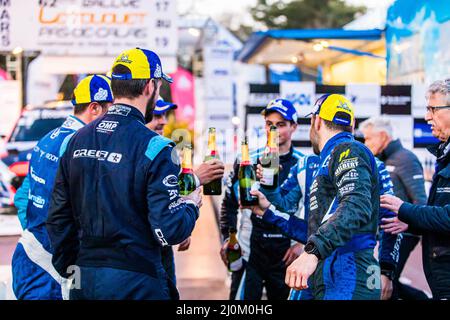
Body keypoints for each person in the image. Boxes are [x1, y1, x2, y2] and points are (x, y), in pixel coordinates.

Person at [46, 48, 202, 300]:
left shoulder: (74, 140)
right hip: (137, 280)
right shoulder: (159, 147)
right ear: (150, 86)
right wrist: (191, 205)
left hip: (84, 277)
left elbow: (57, 219)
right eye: (159, 87)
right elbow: (169, 230)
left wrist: (72, 268)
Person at [248, 94, 381, 300]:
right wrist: (268, 209)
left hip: (349, 272)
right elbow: (315, 229)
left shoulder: (348, 149)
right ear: (351, 126)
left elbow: (356, 204)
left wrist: (312, 252)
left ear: (316, 121)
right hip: (331, 271)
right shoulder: (325, 160)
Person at [253, 133, 401, 300]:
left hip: (350, 267)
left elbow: (391, 221)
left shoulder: (368, 161)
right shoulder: (305, 164)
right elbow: (287, 208)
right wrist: (269, 188)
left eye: (282, 124)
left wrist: (386, 270)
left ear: (316, 122)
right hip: (313, 265)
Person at [11, 75, 114, 300]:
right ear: (95, 108)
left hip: (30, 253)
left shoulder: (49, 137)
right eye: (110, 111)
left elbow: (22, 197)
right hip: (52, 266)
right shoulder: (81, 145)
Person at [219, 98, 305, 300]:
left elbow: (313, 210)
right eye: (269, 124)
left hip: (287, 255)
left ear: (294, 127)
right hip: (251, 253)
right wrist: (227, 239)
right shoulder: (247, 160)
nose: (273, 130)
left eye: (281, 125)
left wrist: (303, 245)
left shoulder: (304, 163)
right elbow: (229, 204)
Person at [381, 79, 450, 300]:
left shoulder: (406, 159)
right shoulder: (444, 155)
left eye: (433, 109)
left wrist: (404, 209)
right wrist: (411, 222)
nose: (427, 117)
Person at [145, 97, 224, 286]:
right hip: (142, 254)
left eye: (164, 114)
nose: (163, 121)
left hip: (161, 250)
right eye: (156, 115)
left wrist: (183, 224)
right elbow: (152, 197)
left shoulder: (165, 151)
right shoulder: (140, 152)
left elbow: (170, 196)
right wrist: (196, 178)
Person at [359, 116, 428, 300]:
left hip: (404, 233)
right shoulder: (380, 161)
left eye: (368, 138)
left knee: (386, 284)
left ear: (382, 136)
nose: (365, 144)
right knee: (386, 285)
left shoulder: (406, 159)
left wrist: (407, 222)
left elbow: (421, 200)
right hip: (387, 233)